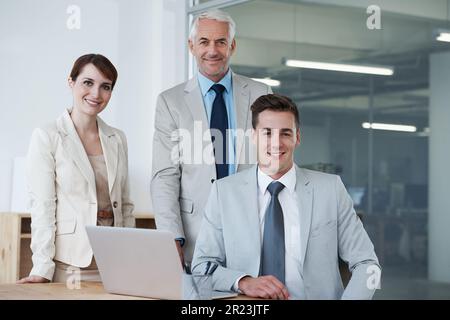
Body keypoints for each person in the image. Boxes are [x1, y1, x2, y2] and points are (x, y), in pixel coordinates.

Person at [192, 94, 381, 299]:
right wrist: (244, 282)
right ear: (253, 136)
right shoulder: (224, 192)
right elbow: (201, 267)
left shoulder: (330, 189)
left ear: (297, 137)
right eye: (267, 133)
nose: (276, 143)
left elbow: (368, 263)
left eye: (285, 133)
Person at [151, 9, 271, 265]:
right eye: (204, 42)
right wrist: (171, 237)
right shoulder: (170, 102)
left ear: (233, 46)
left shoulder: (261, 94)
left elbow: (271, 165)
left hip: (251, 228)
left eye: (221, 42)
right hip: (195, 234)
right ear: (191, 46)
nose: (212, 50)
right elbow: (164, 176)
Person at [18, 54, 135, 284]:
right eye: (88, 83)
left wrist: (129, 256)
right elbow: (43, 206)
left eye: (105, 87)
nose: (96, 94)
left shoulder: (117, 138)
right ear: (71, 82)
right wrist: (41, 267)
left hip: (113, 262)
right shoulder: (47, 136)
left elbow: (125, 203)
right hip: (70, 264)